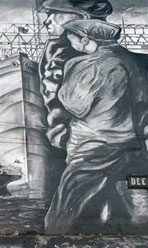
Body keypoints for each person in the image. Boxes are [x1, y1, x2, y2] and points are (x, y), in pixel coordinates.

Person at [44, 19, 148, 233]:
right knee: (137, 204)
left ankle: (53, 244)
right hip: (135, 147)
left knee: (66, 208)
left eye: (71, 38)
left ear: (85, 39)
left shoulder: (85, 64)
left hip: (94, 147)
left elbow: (75, 104)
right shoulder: (141, 61)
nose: (69, 42)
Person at [38, 0, 112, 149]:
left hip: (82, 145)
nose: (47, 21)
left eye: (55, 14)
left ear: (82, 18)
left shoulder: (62, 53)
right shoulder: (55, 49)